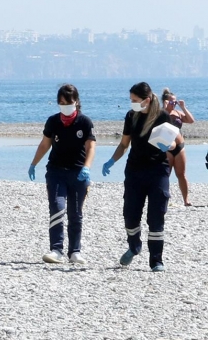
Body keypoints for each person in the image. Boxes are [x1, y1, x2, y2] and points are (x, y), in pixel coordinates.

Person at [102, 82, 180, 272]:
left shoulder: (162, 116)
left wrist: (168, 146)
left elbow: (176, 143)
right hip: (135, 170)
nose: (132, 104)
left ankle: (156, 260)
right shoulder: (131, 116)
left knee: (156, 215)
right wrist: (111, 161)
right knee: (130, 213)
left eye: (135, 100)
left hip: (157, 170)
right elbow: (124, 144)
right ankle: (134, 246)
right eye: (130, 100)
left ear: (146, 100)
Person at [28, 84, 95, 264]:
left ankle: (75, 251)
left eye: (68, 102)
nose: (64, 106)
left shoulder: (85, 122)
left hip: (78, 172)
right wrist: (34, 163)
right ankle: (56, 249)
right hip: (56, 171)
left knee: (75, 213)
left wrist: (87, 167)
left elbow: (91, 146)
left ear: (76, 102)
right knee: (57, 207)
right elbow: (45, 144)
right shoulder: (53, 122)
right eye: (61, 103)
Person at [161, 87, 195, 206]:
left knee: (181, 174)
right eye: (171, 101)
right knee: (166, 174)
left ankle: (186, 200)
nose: (173, 104)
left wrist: (183, 107)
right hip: (167, 146)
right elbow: (160, 121)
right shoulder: (162, 113)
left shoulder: (177, 113)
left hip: (179, 146)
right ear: (165, 102)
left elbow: (191, 120)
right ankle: (163, 198)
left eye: (175, 101)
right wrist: (165, 108)